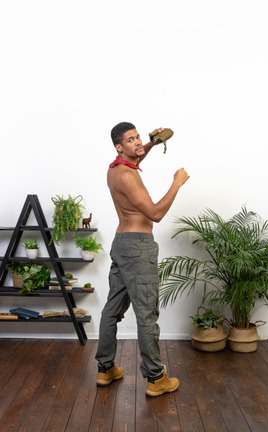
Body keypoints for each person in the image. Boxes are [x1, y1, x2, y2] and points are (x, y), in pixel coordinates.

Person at [95, 122, 189, 397]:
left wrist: (151, 143)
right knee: (147, 314)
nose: (137, 142)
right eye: (131, 139)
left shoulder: (116, 167)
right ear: (118, 146)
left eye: (138, 137)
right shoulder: (126, 175)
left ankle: (105, 369)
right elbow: (156, 213)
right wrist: (177, 183)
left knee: (112, 309)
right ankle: (155, 377)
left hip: (122, 244)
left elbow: (137, 156)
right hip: (138, 248)